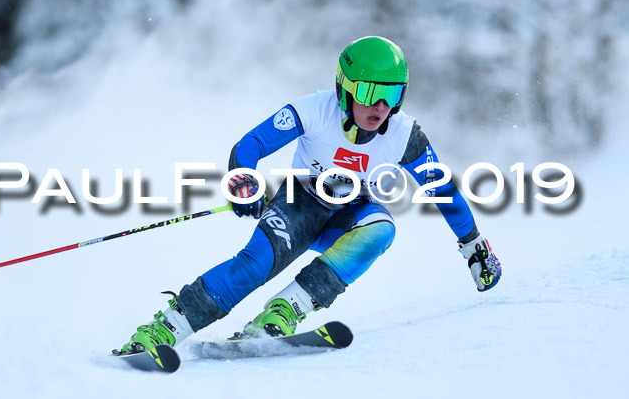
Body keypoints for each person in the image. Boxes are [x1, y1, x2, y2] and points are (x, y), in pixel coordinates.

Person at [117, 36, 502, 353]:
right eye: (369, 91)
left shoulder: (406, 136)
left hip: (350, 215)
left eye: (393, 94)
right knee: (253, 266)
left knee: (383, 229)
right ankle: (160, 332)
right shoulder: (315, 110)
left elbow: (444, 191)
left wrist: (474, 245)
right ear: (344, 89)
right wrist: (243, 180)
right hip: (300, 204)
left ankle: (283, 313)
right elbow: (249, 145)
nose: (381, 106)